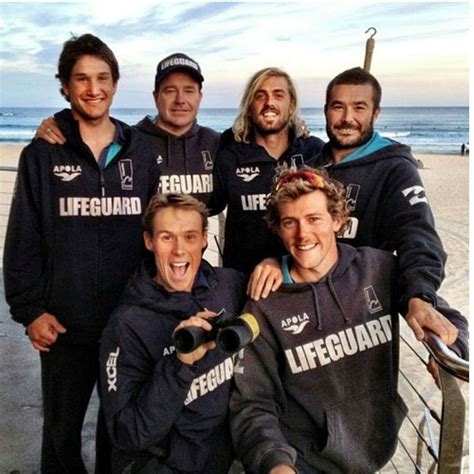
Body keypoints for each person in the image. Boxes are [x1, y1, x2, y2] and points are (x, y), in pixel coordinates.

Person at [229, 166, 468, 474]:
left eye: (314, 219)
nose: (303, 235)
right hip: (302, 462)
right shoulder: (264, 301)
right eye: (291, 222)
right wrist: (275, 463)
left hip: (375, 452)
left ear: (338, 220)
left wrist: (453, 352)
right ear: (278, 229)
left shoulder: (379, 269)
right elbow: (252, 402)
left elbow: (449, 318)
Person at [3, 34, 160, 472]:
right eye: (82, 79)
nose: (93, 89)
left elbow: (158, 234)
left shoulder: (141, 152)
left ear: (115, 82)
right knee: (61, 432)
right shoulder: (41, 154)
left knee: (120, 430)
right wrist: (30, 309)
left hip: (127, 322)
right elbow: (22, 238)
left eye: (103, 78)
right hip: (63, 325)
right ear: (65, 87)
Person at [250, 67, 460, 352]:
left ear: (375, 113)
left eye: (359, 107)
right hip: (305, 309)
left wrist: (419, 295)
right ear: (326, 111)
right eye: (338, 107)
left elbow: (418, 236)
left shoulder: (394, 167)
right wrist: (274, 260)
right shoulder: (309, 168)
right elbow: (286, 228)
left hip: (362, 314)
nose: (347, 118)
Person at [99, 193, 247, 473]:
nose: (179, 250)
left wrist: (276, 267)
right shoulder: (126, 325)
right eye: (167, 237)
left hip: (219, 458)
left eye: (189, 237)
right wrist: (180, 364)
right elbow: (127, 434)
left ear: (205, 239)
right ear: (149, 241)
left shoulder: (228, 285)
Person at [36, 52, 219, 205]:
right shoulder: (127, 141)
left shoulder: (216, 142)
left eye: (189, 90)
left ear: (199, 97)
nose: (180, 100)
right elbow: (86, 167)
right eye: (170, 90)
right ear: (156, 97)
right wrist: (56, 131)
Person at [209, 67, 324, 274]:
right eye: (259, 96)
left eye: (278, 95)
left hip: (302, 281)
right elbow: (206, 205)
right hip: (243, 282)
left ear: (292, 105)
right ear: (249, 107)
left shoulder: (315, 152)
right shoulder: (230, 153)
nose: (269, 102)